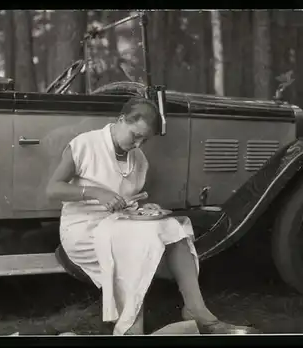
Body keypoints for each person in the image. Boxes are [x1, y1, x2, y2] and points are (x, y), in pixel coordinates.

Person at [46, 97, 257, 335]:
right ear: (121, 120)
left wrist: (144, 208)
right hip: (83, 229)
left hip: (119, 223)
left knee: (172, 227)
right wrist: (94, 192)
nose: (138, 144)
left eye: (144, 140)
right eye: (135, 135)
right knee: (142, 240)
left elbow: (130, 200)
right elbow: (52, 189)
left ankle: (197, 310)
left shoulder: (138, 159)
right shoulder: (84, 144)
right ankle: (131, 326)